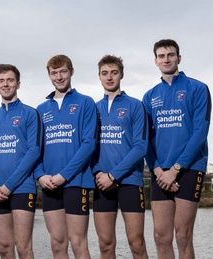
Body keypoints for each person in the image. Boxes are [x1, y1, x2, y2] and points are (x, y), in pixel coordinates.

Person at [142, 39, 212, 259]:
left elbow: (200, 132)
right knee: (161, 237)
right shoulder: (149, 96)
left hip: (190, 168)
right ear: (155, 61)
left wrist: (176, 169)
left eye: (170, 55)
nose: (166, 59)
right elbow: (146, 139)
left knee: (183, 236)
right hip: (160, 172)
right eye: (161, 56)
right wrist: (157, 170)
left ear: (178, 58)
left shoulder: (198, 88)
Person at [33, 55, 97, 259]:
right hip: (49, 184)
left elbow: (89, 144)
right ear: (49, 75)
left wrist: (64, 175)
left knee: (78, 243)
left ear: (71, 71)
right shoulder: (41, 110)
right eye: (54, 73)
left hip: (76, 182)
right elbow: (35, 149)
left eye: (63, 71)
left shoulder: (86, 103)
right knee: (57, 243)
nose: (59, 77)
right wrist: (40, 175)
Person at [0, 64, 42, 259]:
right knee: (4, 248)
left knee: (23, 248)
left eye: (10, 80)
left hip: (22, 189)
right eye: (1, 80)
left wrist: (9, 185)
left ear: (18, 84)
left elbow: (34, 151)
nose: (5, 84)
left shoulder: (30, 113)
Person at [92, 55, 148, 258]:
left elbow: (141, 147)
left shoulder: (135, 105)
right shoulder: (93, 109)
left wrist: (113, 176)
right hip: (101, 183)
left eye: (114, 72)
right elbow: (89, 147)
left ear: (121, 74)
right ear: (99, 76)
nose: (109, 77)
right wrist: (98, 172)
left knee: (137, 243)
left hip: (129, 182)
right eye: (104, 73)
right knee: (105, 245)